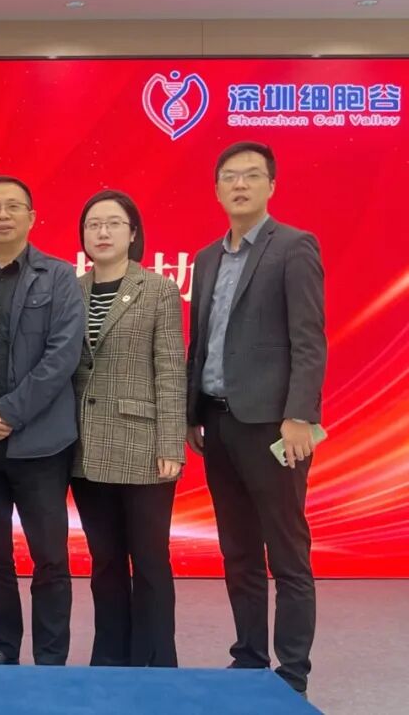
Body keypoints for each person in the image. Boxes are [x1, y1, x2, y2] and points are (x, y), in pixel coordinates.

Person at [186, 141, 326, 697]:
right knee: (238, 550)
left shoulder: (293, 246)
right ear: (216, 189)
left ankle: (292, 673)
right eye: (229, 176)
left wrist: (299, 416)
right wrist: (191, 414)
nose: (239, 184)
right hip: (218, 424)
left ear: (271, 185)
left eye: (250, 175)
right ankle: (248, 658)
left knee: (286, 551)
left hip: (273, 427)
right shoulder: (206, 258)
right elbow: (200, 343)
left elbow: (308, 340)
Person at [0, 176, 84, 666]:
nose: (3, 215)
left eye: (13, 207)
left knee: (49, 555)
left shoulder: (60, 276)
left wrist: (8, 413)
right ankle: (1, 647)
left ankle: (51, 656)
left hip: (41, 443)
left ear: (31, 217)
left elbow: (62, 355)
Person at [71, 189, 186, 668]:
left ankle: (156, 661)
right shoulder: (71, 290)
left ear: (132, 232)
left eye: (113, 223)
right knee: (105, 562)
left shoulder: (157, 289)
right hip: (85, 448)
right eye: (93, 224)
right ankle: (110, 658)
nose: (102, 232)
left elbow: (171, 369)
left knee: (151, 560)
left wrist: (171, 442)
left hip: (144, 446)